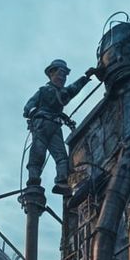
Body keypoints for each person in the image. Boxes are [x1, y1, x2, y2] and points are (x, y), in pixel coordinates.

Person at [25, 59, 97, 195]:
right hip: (42, 125)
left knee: (62, 156)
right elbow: (28, 107)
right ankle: (33, 179)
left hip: (55, 127)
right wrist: (34, 113)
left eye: (64, 76)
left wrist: (86, 78)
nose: (62, 78)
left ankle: (61, 181)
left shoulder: (63, 93)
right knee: (37, 153)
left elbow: (73, 89)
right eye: (59, 74)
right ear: (52, 74)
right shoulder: (43, 91)